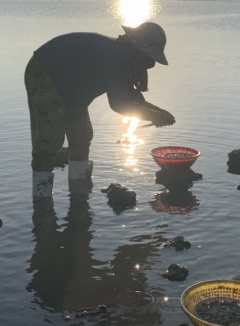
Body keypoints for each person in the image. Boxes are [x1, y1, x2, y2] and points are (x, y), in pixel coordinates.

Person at [25, 22, 175, 197]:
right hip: (45, 71)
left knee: (82, 136)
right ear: (138, 49)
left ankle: (78, 194)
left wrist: (158, 112)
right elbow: (118, 104)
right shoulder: (116, 57)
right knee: (49, 140)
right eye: (149, 58)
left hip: (73, 89)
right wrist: (153, 116)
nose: (150, 64)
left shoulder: (124, 56)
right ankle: (42, 201)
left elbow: (131, 98)